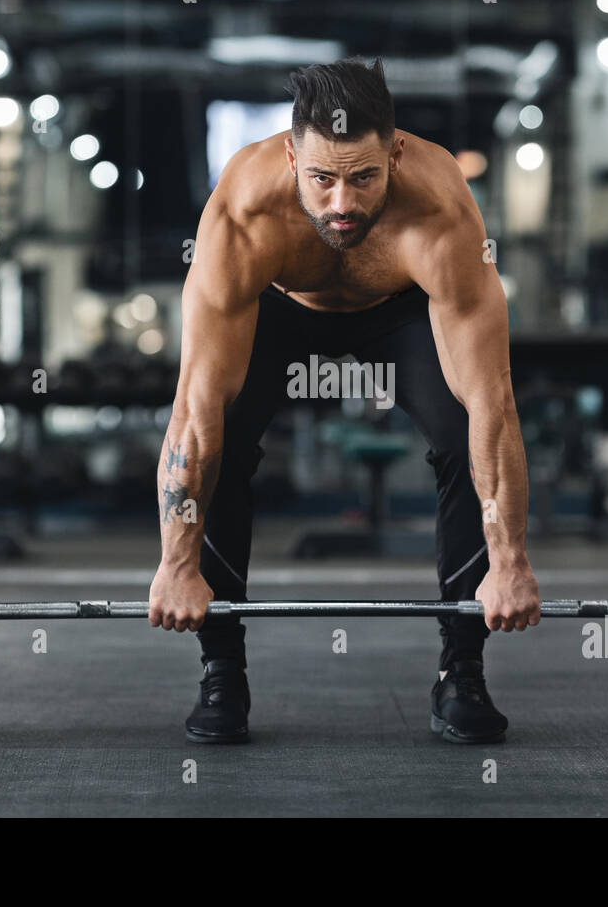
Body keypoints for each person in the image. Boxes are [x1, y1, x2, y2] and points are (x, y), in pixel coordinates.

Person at [147, 56, 541, 745]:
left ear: (395, 152)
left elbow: (493, 404)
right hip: (278, 307)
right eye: (322, 178)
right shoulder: (245, 211)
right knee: (227, 434)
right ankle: (221, 671)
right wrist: (176, 565)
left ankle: (462, 671)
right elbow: (194, 412)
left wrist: (510, 563)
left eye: (363, 178)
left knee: (457, 432)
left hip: (398, 309)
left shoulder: (440, 209)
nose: (342, 204)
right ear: (293, 154)